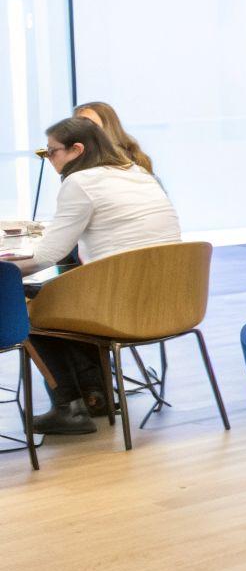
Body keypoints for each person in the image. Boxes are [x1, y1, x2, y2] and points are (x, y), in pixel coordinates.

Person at [6, 118, 180, 434]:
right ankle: (95, 397)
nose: (49, 159)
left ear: (77, 150)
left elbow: (46, 256)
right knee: (60, 302)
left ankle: (69, 408)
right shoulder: (138, 173)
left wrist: (5, 272)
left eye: (51, 152)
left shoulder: (80, 182)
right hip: (173, 304)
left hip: (120, 308)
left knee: (29, 309)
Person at [73, 101, 155, 176]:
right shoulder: (75, 159)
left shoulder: (137, 160)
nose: (83, 130)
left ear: (109, 127)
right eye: (77, 125)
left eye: (88, 124)